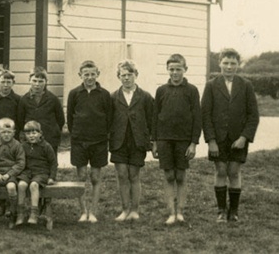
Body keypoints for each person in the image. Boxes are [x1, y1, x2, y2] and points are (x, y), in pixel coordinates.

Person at [202, 48, 259, 223]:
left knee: (234, 172)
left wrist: (244, 138)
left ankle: (233, 211)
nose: (229, 67)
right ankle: (221, 210)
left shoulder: (246, 85)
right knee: (220, 171)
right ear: (219, 63)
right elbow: (205, 114)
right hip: (218, 139)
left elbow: (253, 115)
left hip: (238, 139)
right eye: (225, 63)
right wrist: (211, 140)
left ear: (238, 65)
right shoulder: (211, 85)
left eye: (233, 63)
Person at [151, 53, 201, 225]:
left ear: (185, 70)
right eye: (171, 69)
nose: (175, 73)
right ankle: (171, 212)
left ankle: (180, 211)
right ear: (167, 70)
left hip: (183, 140)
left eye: (178, 69)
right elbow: (155, 117)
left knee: (180, 176)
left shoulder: (192, 91)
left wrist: (193, 143)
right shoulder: (161, 91)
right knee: (169, 175)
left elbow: (197, 118)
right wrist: (155, 142)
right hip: (164, 139)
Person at [67, 60, 112, 223]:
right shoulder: (74, 93)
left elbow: (109, 118)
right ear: (80, 75)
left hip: (98, 141)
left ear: (98, 74)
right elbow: (70, 118)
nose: (90, 77)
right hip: (79, 141)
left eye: (93, 74)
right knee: (81, 176)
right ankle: (82, 211)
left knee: (95, 177)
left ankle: (93, 212)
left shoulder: (105, 94)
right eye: (86, 74)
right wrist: (77, 134)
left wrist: (102, 135)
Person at [110, 60, 154, 222]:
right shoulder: (113, 97)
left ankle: (135, 210)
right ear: (118, 77)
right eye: (123, 75)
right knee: (122, 175)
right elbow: (109, 120)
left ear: (136, 75)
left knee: (134, 175)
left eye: (130, 75)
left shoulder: (145, 97)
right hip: (119, 141)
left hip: (137, 141)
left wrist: (152, 141)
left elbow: (152, 121)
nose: (127, 78)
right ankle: (124, 209)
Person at [16, 120, 57, 226]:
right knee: (21, 185)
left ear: (40, 134)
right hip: (27, 172)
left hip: (41, 172)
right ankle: (20, 212)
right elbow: (19, 161)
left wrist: (52, 177)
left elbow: (53, 163)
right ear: (25, 135)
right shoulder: (23, 146)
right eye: (28, 133)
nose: (31, 136)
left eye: (34, 133)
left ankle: (34, 212)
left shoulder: (46, 146)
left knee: (34, 185)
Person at [0, 117, 24, 229]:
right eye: (3, 132)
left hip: (10, 173)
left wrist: (9, 174)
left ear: (14, 132)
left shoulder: (17, 145)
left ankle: (12, 214)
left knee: (12, 187)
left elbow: (20, 163)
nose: (6, 134)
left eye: (9, 132)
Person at [18, 67, 65, 152]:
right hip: (31, 139)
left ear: (46, 82)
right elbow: (20, 120)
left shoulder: (53, 99)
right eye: (34, 81)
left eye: (40, 81)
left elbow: (60, 119)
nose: (37, 84)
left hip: (50, 138)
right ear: (29, 80)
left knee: (50, 162)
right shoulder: (24, 99)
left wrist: (53, 131)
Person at [0, 70, 21, 141]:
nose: (5, 85)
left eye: (8, 82)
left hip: (13, 138)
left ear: (13, 83)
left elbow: (20, 120)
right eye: (3, 82)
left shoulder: (18, 100)